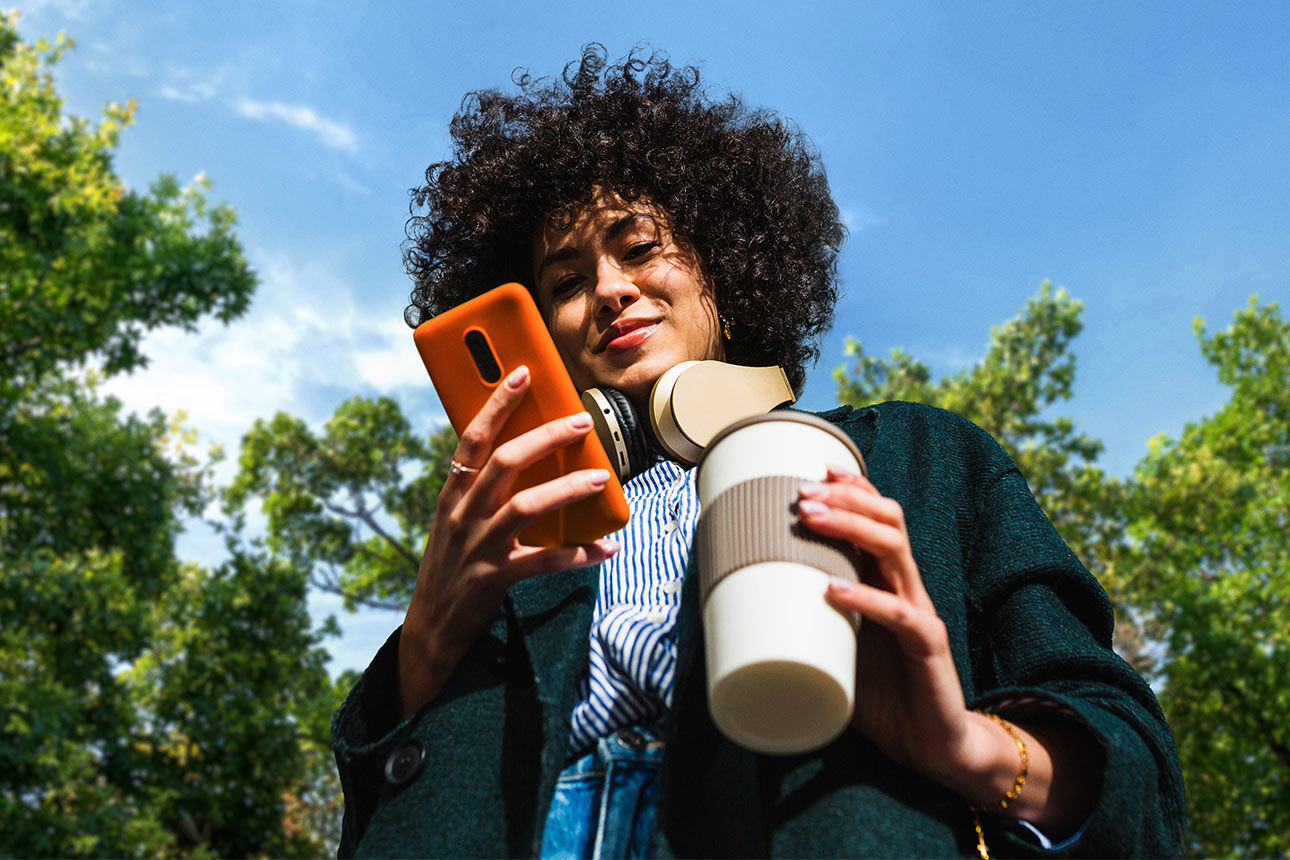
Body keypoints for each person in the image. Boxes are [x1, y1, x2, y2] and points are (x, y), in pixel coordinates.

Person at [331, 45, 1185, 857]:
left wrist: (968, 746)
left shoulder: (924, 457)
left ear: (727, 271)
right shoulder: (506, 528)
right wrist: (422, 650)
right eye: (565, 283)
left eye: (640, 247)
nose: (610, 290)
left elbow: (1136, 779)